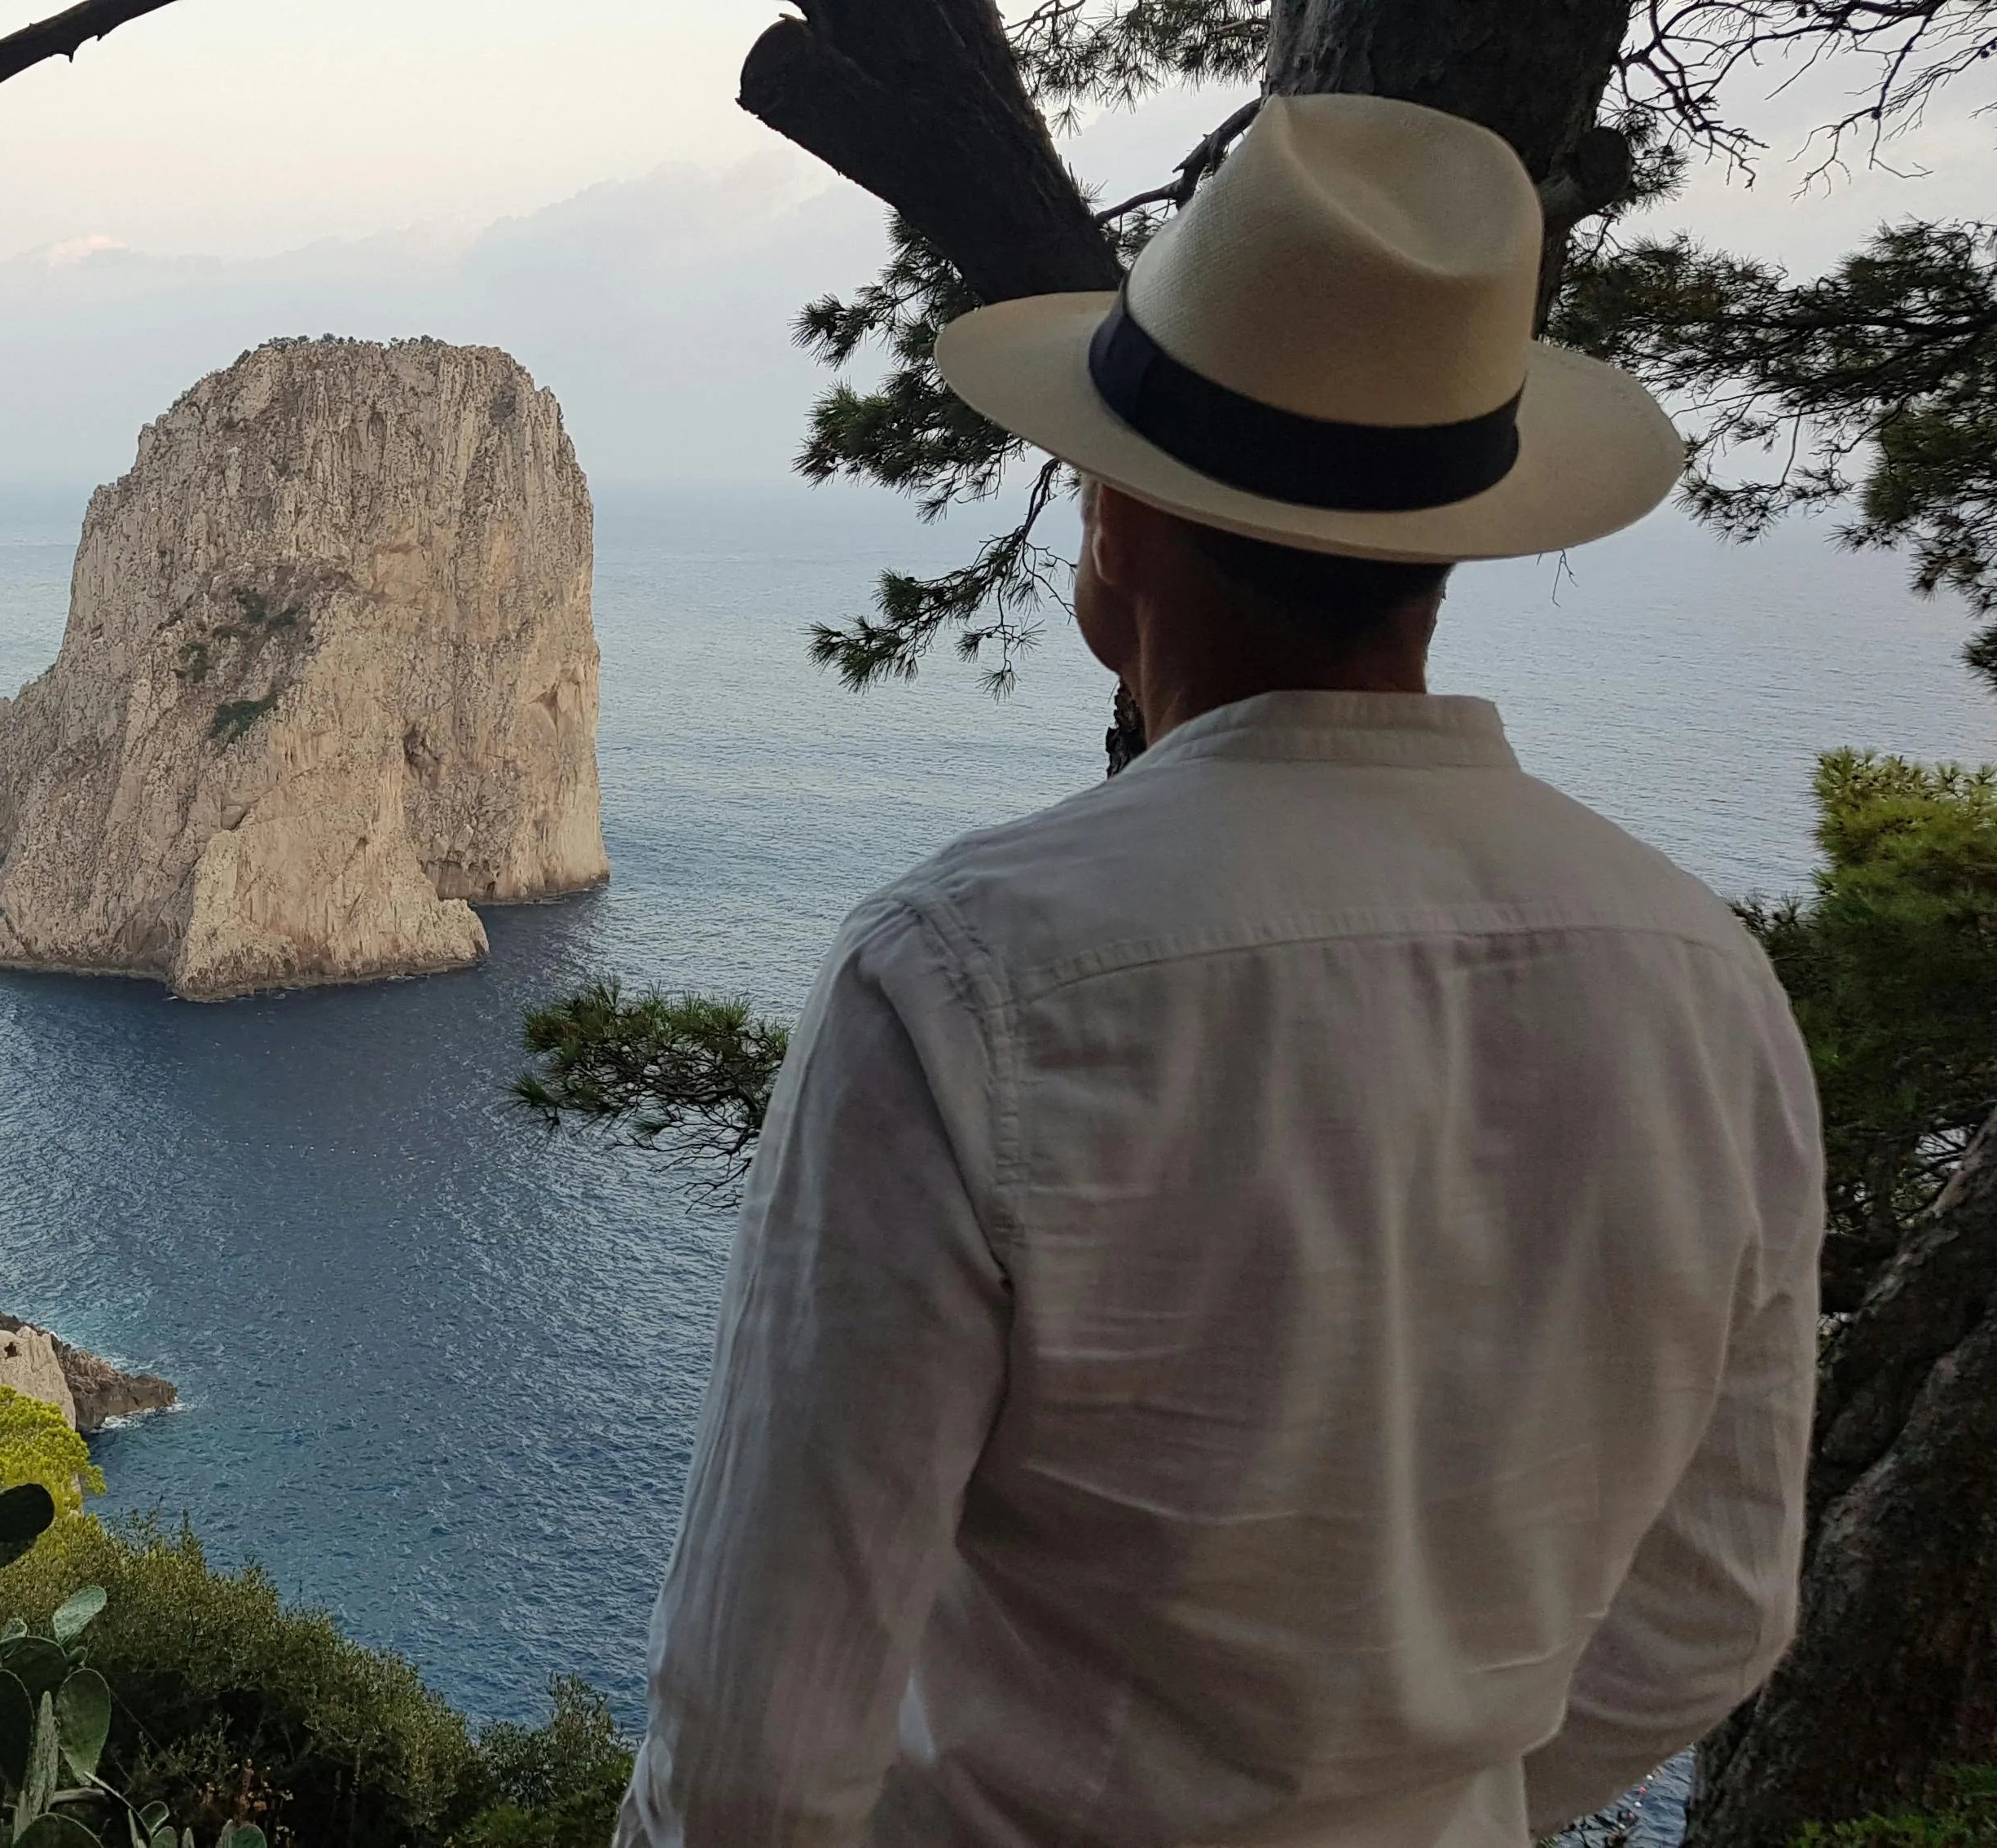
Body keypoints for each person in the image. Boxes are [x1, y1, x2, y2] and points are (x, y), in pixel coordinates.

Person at [615, 95, 1820, 1848]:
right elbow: (1712, 1615)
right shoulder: (1704, 980)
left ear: (1116, 526)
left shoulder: (964, 981)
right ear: (1447, 545)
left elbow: (751, 1767)